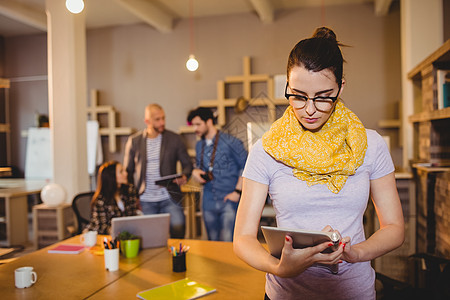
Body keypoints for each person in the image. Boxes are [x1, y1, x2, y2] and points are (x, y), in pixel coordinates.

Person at [233, 27, 404, 300]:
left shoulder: (370, 145)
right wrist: (279, 268)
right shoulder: (266, 149)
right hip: (285, 293)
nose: (309, 109)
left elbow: (394, 228)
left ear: (341, 87)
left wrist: (355, 252)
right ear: (287, 86)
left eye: (323, 96)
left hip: (354, 291)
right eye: (298, 95)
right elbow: (242, 238)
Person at [123, 103, 192, 239]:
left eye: (163, 118)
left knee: (178, 228)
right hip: (146, 199)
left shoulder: (175, 139)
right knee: (150, 237)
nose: (162, 123)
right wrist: (133, 196)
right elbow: (128, 172)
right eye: (157, 119)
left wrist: (184, 176)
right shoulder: (134, 141)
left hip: (169, 196)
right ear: (147, 121)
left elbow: (188, 165)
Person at [187, 107, 248, 241]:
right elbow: (200, 167)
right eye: (193, 125)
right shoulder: (199, 145)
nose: (194, 128)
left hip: (229, 199)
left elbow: (246, 168)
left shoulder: (231, 142)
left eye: (198, 124)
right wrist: (195, 172)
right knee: (212, 242)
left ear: (209, 122)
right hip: (208, 200)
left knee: (228, 242)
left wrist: (237, 192)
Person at [86, 160, 140, 235]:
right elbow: (102, 227)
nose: (126, 173)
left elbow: (133, 216)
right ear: (112, 176)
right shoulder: (101, 199)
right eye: (121, 172)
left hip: (126, 235)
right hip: (104, 237)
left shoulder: (130, 191)